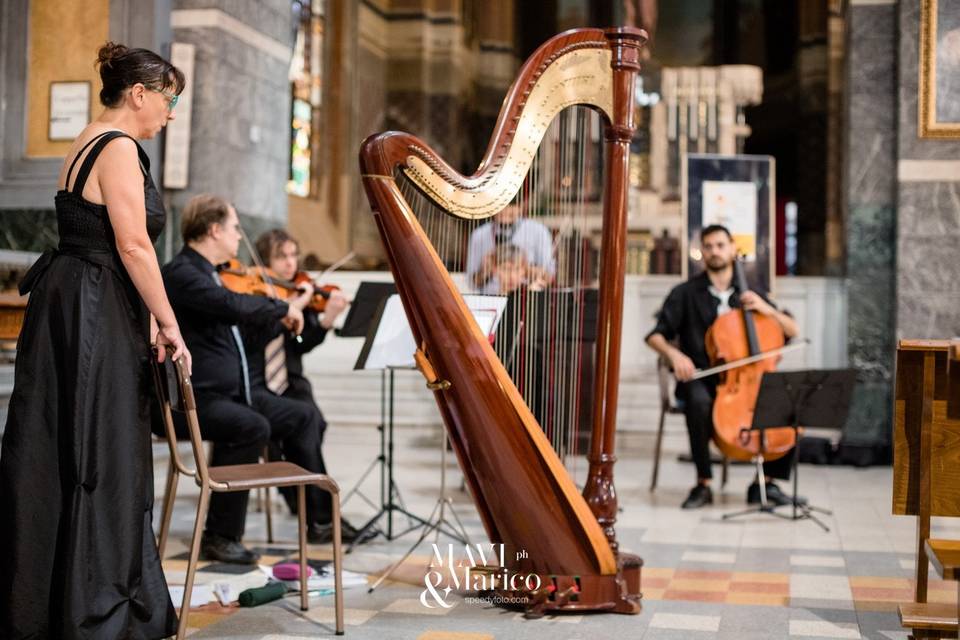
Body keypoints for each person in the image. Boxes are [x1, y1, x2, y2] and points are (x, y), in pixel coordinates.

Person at [0, 42, 188, 639]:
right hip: (93, 306)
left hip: (68, 299)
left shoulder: (84, 139)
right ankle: (96, 603)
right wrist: (169, 321)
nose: (171, 114)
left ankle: (49, 600)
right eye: (170, 100)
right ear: (140, 94)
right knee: (99, 446)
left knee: (61, 443)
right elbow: (134, 245)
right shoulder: (120, 147)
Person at [159, 196, 365, 563]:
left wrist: (285, 314)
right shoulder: (183, 273)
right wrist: (284, 306)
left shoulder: (211, 271)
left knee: (303, 415)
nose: (240, 237)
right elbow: (232, 306)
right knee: (249, 426)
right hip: (196, 398)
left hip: (231, 392)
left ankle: (318, 521)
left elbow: (242, 323)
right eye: (236, 228)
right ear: (214, 230)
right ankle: (220, 535)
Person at [645, 224, 800, 509]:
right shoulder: (685, 293)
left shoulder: (752, 293)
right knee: (697, 399)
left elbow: (792, 330)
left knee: (785, 399)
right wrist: (675, 356)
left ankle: (766, 483)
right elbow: (655, 335)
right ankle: (703, 483)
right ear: (702, 252)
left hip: (748, 380)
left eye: (720, 245)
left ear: (732, 249)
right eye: (709, 246)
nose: (715, 251)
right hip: (702, 377)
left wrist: (766, 309)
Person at [246, 229, 372, 543]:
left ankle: (312, 510)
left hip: (288, 380)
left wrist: (326, 320)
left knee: (315, 423)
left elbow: (301, 344)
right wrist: (291, 307)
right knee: (291, 429)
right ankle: (318, 515)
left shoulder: (298, 292)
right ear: (264, 261)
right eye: (281, 257)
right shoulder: (251, 295)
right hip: (257, 383)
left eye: (293, 255)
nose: (290, 263)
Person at [465, 203, 555, 294]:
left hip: (526, 297)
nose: (505, 210)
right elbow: (471, 284)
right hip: (489, 299)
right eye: (500, 205)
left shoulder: (538, 231)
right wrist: (486, 270)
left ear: (521, 206)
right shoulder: (479, 235)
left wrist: (525, 268)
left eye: (510, 205)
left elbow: (549, 277)